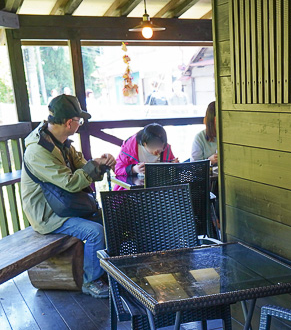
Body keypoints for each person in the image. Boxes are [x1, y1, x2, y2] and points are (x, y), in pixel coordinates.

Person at [21, 94, 116, 298]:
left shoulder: (59, 141)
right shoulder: (38, 151)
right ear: (69, 123)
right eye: (79, 121)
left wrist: (100, 163)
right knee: (95, 233)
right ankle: (91, 281)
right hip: (48, 215)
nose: (80, 124)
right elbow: (71, 183)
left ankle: (109, 272)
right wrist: (93, 167)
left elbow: (83, 167)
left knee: (111, 218)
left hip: (64, 205)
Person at [114, 124, 178, 189]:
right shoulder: (129, 148)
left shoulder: (166, 148)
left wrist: (174, 166)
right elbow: (117, 170)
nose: (160, 149)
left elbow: (173, 172)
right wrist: (133, 169)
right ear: (145, 144)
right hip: (132, 191)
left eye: (162, 146)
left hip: (158, 190)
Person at [191, 101, 218, 165]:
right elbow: (194, 166)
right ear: (211, 120)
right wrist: (209, 161)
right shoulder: (200, 137)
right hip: (208, 174)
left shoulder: (230, 136)